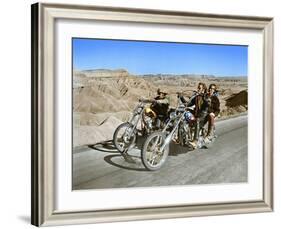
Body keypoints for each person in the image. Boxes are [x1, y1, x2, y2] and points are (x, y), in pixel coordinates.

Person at [178, 82, 209, 148]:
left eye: (199, 88)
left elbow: (208, 103)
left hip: (203, 115)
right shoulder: (196, 97)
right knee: (183, 117)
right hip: (196, 113)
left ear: (203, 89)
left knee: (197, 120)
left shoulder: (206, 96)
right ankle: (180, 138)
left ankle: (195, 141)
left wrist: (204, 96)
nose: (198, 89)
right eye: (198, 88)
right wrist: (181, 97)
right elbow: (187, 104)